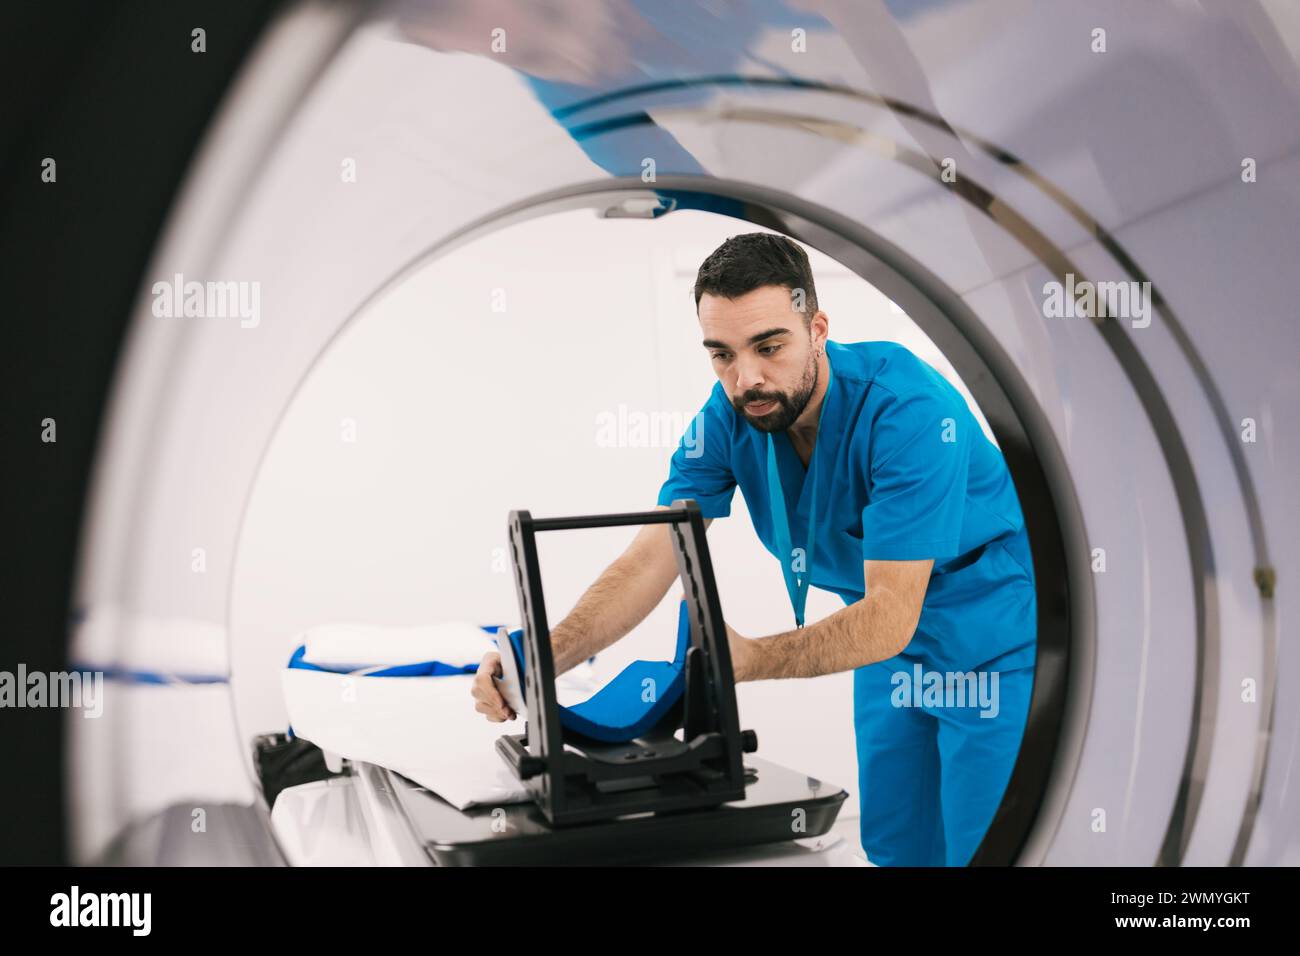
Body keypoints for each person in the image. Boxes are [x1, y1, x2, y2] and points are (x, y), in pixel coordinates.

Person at [471, 233, 1036, 866]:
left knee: (989, 850)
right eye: (722, 354)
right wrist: (540, 660)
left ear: (817, 327)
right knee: (898, 847)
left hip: (989, 645)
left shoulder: (909, 413)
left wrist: (746, 660)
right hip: (889, 653)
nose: (747, 379)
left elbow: (890, 617)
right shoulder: (730, 415)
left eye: (769, 346)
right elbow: (650, 559)